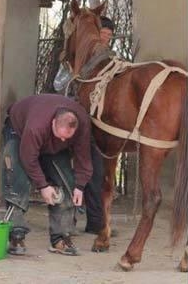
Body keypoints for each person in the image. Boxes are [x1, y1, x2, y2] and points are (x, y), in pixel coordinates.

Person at [2, 94, 93, 256]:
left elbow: (83, 156)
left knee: (66, 182)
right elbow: (28, 158)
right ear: (53, 123)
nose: (64, 139)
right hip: (19, 131)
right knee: (16, 180)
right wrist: (43, 186)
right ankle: (16, 235)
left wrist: (80, 186)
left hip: (50, 143)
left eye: (68, 137)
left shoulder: (82, 124)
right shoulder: (35, 127)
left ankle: (60, 238)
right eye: (61, 136)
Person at [53, 16, 115, 236]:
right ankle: (65, 222)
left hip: (94, 127)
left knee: (96, 174)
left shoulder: (112, 63)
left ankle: (96, 223)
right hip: (67, 124)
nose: (104, 40)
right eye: (102, 35)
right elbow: (58, 84)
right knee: (66, 173)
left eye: (108, 36)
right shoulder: (73, 61)